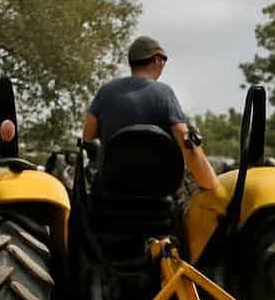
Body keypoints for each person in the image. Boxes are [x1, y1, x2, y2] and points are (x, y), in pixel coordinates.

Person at [83, 35, 220, 195]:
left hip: (110, 192)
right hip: (158, 194)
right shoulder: (164, 93)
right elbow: (186, 141)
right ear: (157, 60)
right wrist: (211, 184)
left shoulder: (105, 91)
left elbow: (88, 137)